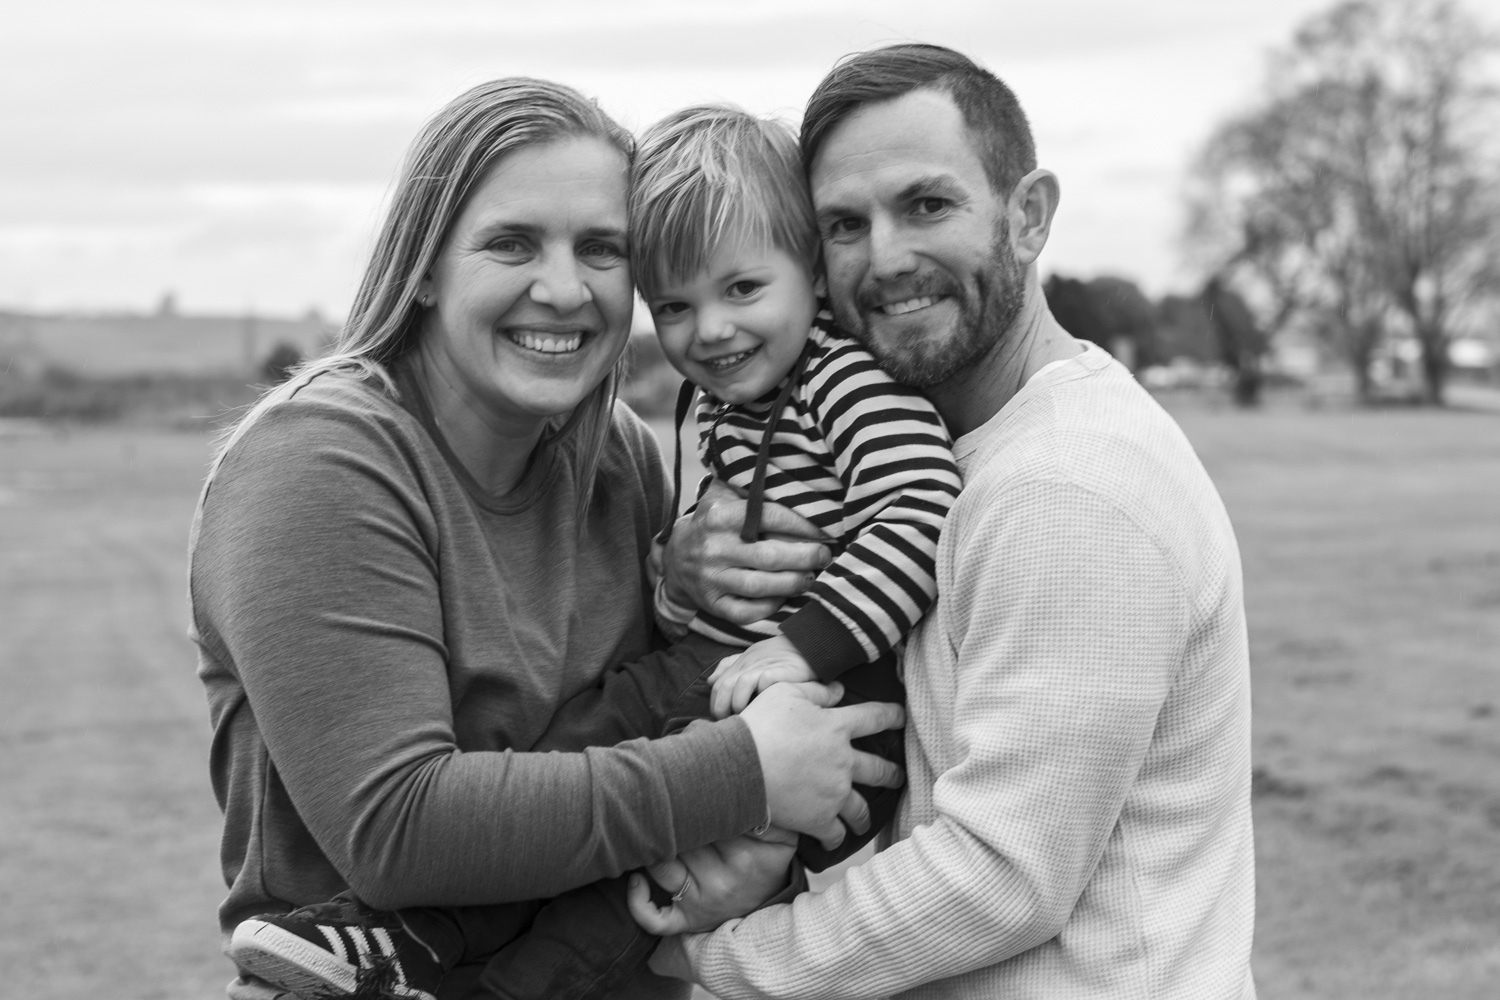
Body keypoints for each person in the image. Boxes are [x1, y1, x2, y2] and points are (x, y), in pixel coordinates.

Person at [189, 77, 904, 1000]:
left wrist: (677, 579)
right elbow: (397, 829)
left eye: (602, 249)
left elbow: (674, 707)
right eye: (512, 243)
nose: (564, 290)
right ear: (423, 265)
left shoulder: (618, 458)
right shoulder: (319, 460)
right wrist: (748, 775)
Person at [641, 44, 1257, 999]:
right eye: (846, 224)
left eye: (927, 204)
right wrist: (681, 567)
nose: (886, 258)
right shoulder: (923, 448)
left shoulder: (1069, 488)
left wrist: (709, 958)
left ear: (1029, 215)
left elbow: (999, 876)